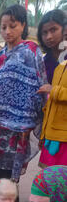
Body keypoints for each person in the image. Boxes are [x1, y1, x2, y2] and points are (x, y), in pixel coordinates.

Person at [0, 4, 47, 182]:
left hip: (19, 124)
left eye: (13, 26)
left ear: (23, 25)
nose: (7, 31)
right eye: (3, 27)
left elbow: (37, 84)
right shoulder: (0, 54)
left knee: (13, 167)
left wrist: (29, 120)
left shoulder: (30, 51)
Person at [37, 21, 67, 168]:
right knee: (49, 182)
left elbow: (53, 92)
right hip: (52, 135)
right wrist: (43, 134)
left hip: (64, 137)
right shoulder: (59, 68)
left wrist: (53, 90)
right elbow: (50, 106)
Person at [37, 9, 67, 84]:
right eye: (44, 32)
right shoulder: (43, 63)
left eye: (53, 30)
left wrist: (53, 90)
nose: (48, 37)